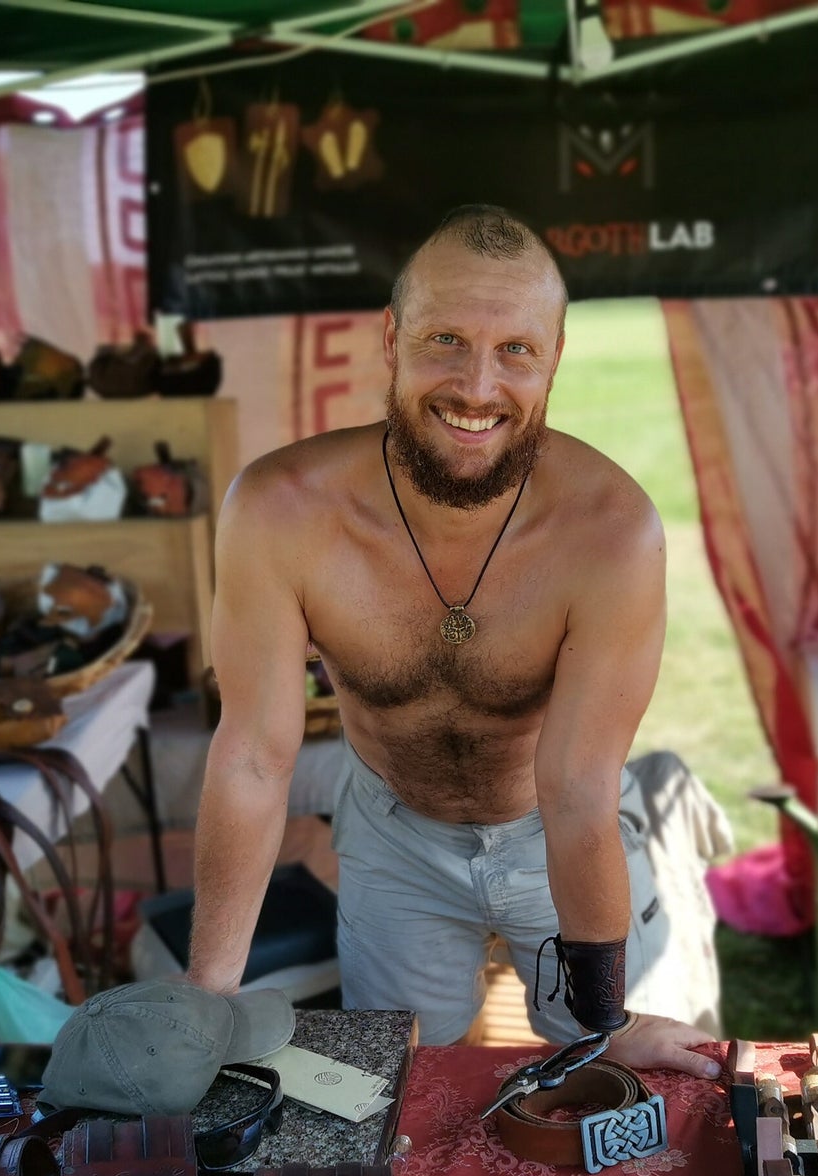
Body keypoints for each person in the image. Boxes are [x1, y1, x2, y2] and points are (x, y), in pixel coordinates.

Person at [185, 204, 721, 1078]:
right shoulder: (281, 510)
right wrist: (208, 994)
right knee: (398, 1087)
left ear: (553, 361)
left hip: (557, 829)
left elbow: (579, 785)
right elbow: (251, 754)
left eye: (516, 350)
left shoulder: (611, 530)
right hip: (393, 835)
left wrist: (604, 1017)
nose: (477, 387)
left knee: (613, 1074)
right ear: (391, 339)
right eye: (445, 340)